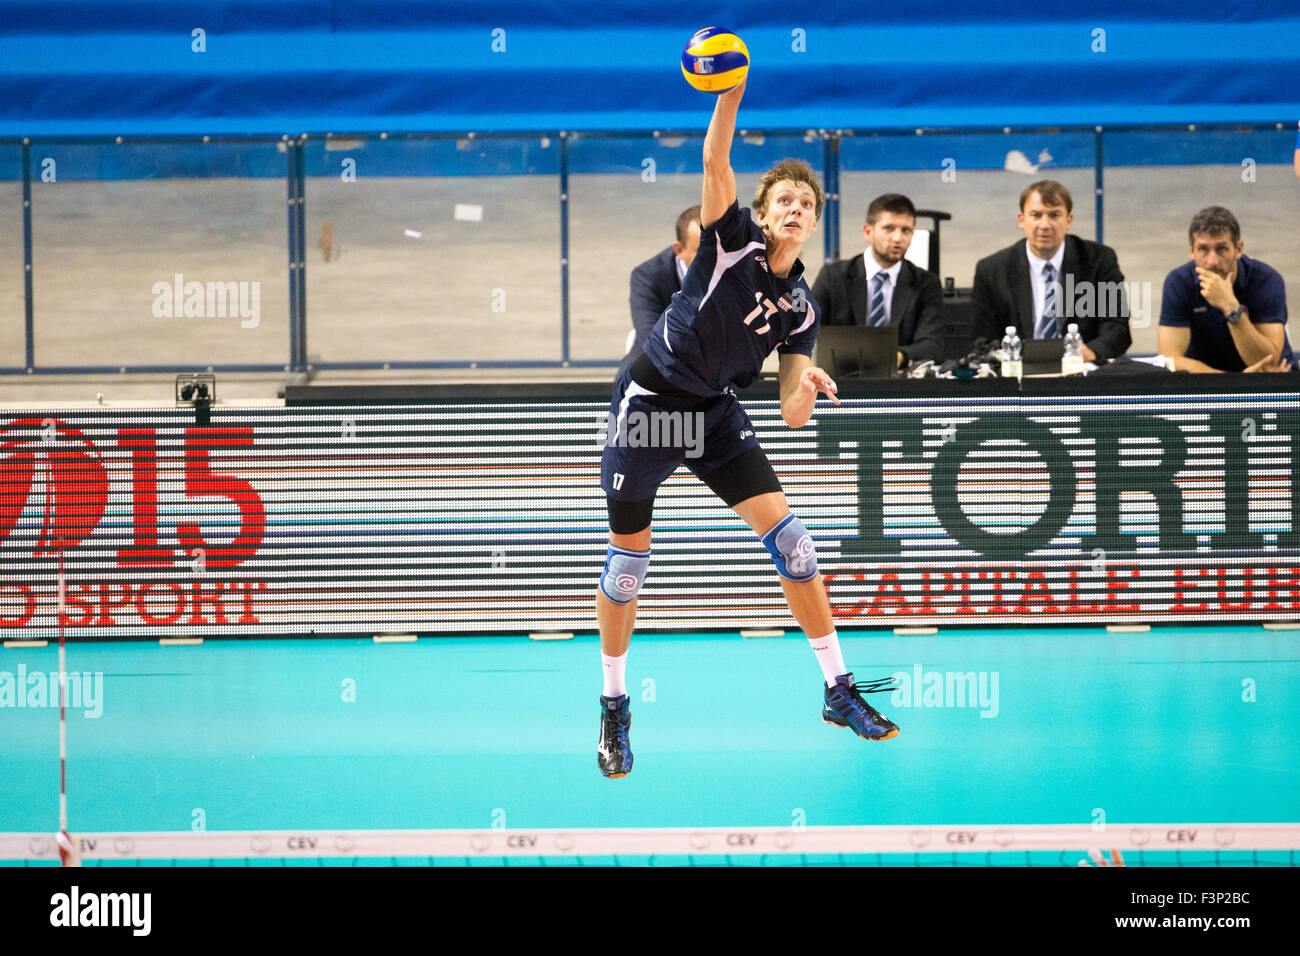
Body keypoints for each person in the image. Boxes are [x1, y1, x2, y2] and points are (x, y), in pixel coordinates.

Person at [595, 79, 898, 779]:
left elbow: (791, 411)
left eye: (808, 204)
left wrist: (809, 384)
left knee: (794, 540)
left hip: (714, 410)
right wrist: (728, 94)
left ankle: (837, 689)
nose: (796, 208)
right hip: (649, 406)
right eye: (784, 200)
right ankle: (614, 704)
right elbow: (714, 164)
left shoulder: (802, 307)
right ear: (763, 214)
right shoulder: (730, 241)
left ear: (815, 223)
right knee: (629, 564)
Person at [971, 180, 1131, 362]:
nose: (1045, 225)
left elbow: (1118, 328)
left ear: (1069, 220)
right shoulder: (992, 270)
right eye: (1036, 215)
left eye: (1054, 215)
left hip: (1081, 372)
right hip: (1018, 376)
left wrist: (1090, 353)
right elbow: (982, 341)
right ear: (1021, 220)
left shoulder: (1099, 260)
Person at [811, 193, 945, 369]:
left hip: (902, 384)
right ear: (868, 232)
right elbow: (807, 330)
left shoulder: (926, 284)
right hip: (839, 382)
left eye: (906, 230)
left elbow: (933, 345)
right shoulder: (833, 277)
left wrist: (892, 358)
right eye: (889, 228)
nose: (898, 238)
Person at [1157, 206, 1294, 373]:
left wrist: (1230, 307)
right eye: (1203, 250)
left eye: (1221, 249)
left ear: (1238, 249)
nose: (1212, 261)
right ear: (1192, 251)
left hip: (1271, 378)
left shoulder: (1266, 280)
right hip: (1209, 382)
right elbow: (1170, 360)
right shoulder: (1178, 282)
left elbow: (1267, 363)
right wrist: (1229, 382)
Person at [617, 207, 702, 378]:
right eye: (701, 252)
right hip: (657, 371)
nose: (713, 259)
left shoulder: (733, 270)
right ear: (679, 250)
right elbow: (652, 342)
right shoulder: (647, 277)